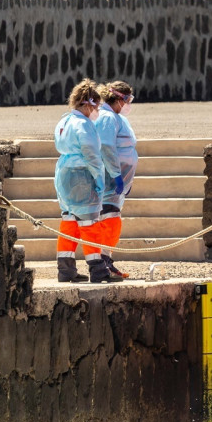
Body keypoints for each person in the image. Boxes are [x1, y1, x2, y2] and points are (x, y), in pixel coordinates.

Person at [54, 79, 123, 284]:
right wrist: (100, 179)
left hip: (63, 174)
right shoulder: (83, 124)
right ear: (88, 103)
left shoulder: (64, 121)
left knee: (69, 221)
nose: (97, 110)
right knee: (89, 222)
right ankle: (98, 270)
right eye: (97, 106)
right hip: (81, 175)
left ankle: (65, 270)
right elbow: (92, 154)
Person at [94, 81, 138, 278]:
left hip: (118, 183)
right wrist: (116, 175)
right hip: (110, 180)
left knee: (111, 221)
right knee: (109, 221)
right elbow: (106, 147)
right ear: (119, 99)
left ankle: (106, 261)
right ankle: (103, 262)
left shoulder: (116, 117)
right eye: (128, 99)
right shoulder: (106, 118)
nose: (129, 104)